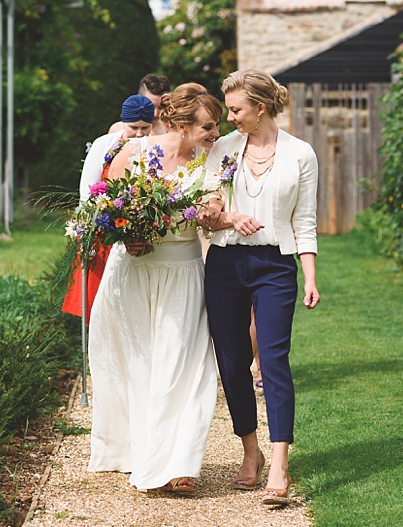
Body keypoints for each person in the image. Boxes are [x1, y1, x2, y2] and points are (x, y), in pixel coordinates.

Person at [88, 83, 223, 493]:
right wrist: (125, 233)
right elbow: (103, 207)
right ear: (180, 124)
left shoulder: (211, 160)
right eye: (208, 127)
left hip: (183, 273)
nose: (215, 134)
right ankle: (138, 450)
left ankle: (178, 463)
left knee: (183, 366)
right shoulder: (133, 153)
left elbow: (215, 205)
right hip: (132, 270)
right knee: (137, 361)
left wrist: (216, 213)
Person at [201, 69, 320, 507]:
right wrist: (225, 214)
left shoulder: (300, 154)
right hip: (226, 264)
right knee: (232, 363)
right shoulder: (223, 150)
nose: (228, 118)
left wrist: (309, 276)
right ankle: (250, 452)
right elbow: (207, 210)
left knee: (272, 361)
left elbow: (304, 221)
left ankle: (280, 463)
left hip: (275, 265)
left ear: (260, 107)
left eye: (235, 110)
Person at [61, 94, 156, 320]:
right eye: (134, 127)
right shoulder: (105, 144)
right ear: (124, 122)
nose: (140, 134)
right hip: (105, 231)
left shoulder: (154, 146)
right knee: (100, 306)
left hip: (140, 236)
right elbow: (87, 192)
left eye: (146, 127)